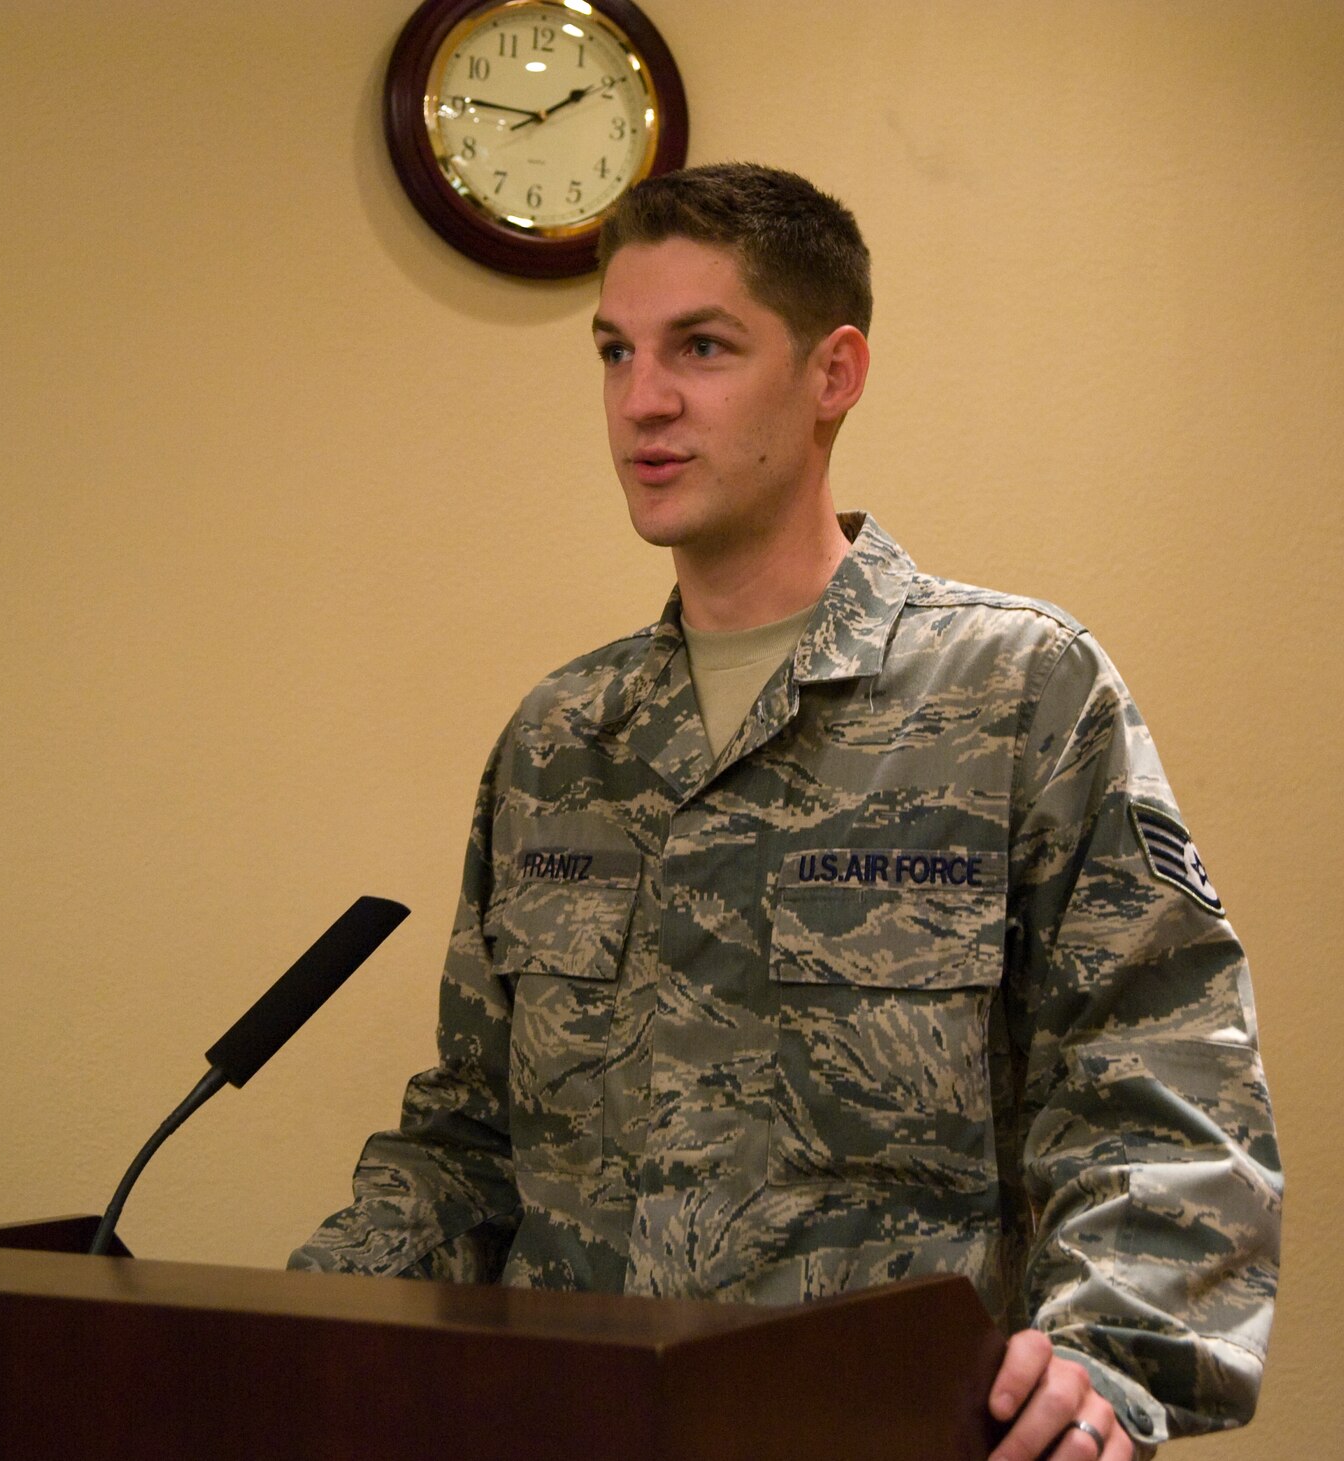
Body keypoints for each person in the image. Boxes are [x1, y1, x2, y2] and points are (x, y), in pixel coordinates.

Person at [289, 164, 1280, 1459]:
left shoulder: (1016, 690)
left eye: (701, 347)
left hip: (890, 1431)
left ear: (834, 373)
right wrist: (288, 1330)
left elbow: (1158, 1076)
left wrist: (1107, 1360)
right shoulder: (559, 738)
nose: (642, 402)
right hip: (573, 1426)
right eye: (614, 352)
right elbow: (473, 1135)